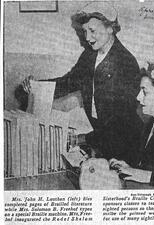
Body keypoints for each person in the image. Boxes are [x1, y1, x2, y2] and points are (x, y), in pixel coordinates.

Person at [15, 2, 143, 162]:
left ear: (110, 28)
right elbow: (68, 82)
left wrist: (83, 139)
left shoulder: (126, 63)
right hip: (101, 139)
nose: (88, 38)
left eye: (93, 31)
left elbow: (119, 123)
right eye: (84, 31)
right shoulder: (89, 56)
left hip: (124, 144)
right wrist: (36, 85)